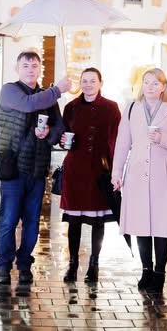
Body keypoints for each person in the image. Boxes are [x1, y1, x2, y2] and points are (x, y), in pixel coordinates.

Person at [112, 67, 167, 303]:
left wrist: (163, 140)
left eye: (156, 83)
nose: (150, 87)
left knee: (162, 224)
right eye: (146, 82)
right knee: (141, 223)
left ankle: (160, 272)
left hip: (165, 172)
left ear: (163, 87)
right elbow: (122, 143)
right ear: (141, 85)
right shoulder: (130, 109)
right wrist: (117, 172)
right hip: (137, 172)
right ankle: (146, 269)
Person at [0, 49, 65, 288]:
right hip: (12, 167)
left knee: (33, 222)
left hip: (37, 169)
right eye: (26, 66)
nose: (30, 70)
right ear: (18, 68)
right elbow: (28, 104)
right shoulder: (9, 90)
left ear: (40, 69)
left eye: (35, 66)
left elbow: (59, 130)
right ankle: (3, 265)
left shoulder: (48, 97)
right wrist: (58, 90)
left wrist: (48, 134)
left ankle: (24, 264)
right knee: (9, 220)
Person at [59, 67, 121, 285]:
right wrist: (63, 142)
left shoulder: (112, 108)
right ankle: (73, 264)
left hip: (100, 170)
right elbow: (62, 135)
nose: (88, 85)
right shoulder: (71, 107)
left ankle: (94, 264)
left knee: (98, 222)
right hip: (75, 171)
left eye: (92, 81)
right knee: (74, 222)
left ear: (100, 83)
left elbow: (118, 141)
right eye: (84, 81)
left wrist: (117, 170)